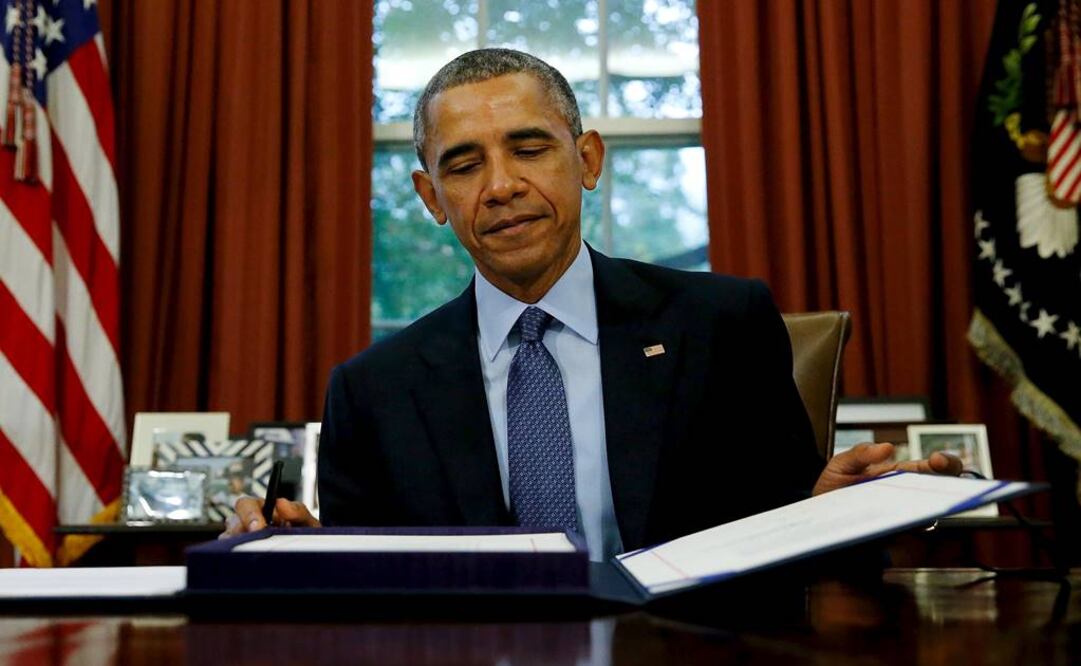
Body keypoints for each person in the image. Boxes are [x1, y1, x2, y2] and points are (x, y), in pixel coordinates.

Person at [225, 49, 960, 559]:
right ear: (431, 199)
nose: (502, 185)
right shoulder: (371, 388)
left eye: (528, 147)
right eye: (463, 163)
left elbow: (782, 528)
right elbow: (377, 593)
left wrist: (827, 511)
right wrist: (298, 552)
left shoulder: (719, 323)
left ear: (586, 160)